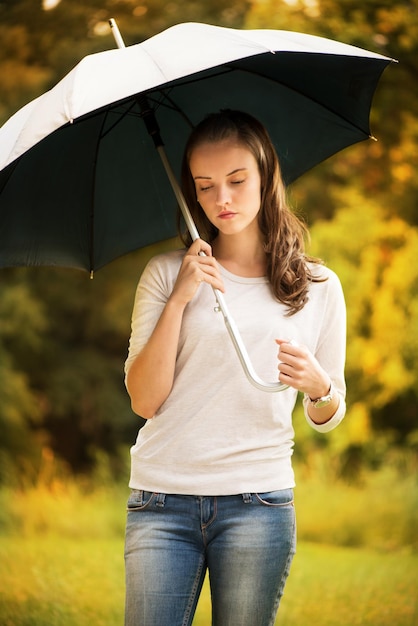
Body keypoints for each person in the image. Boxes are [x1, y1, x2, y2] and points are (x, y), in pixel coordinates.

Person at [123, 109, 346, 626]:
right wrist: (181, 298)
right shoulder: (163, 275)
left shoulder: (319, 286)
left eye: (237, 180)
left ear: (267, 175)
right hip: (162, 501)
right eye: (205, 186)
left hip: (258, 504)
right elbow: (144, 401)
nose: (222, 199)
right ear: (192, 192)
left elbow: (329, 414)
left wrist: (318, 387)